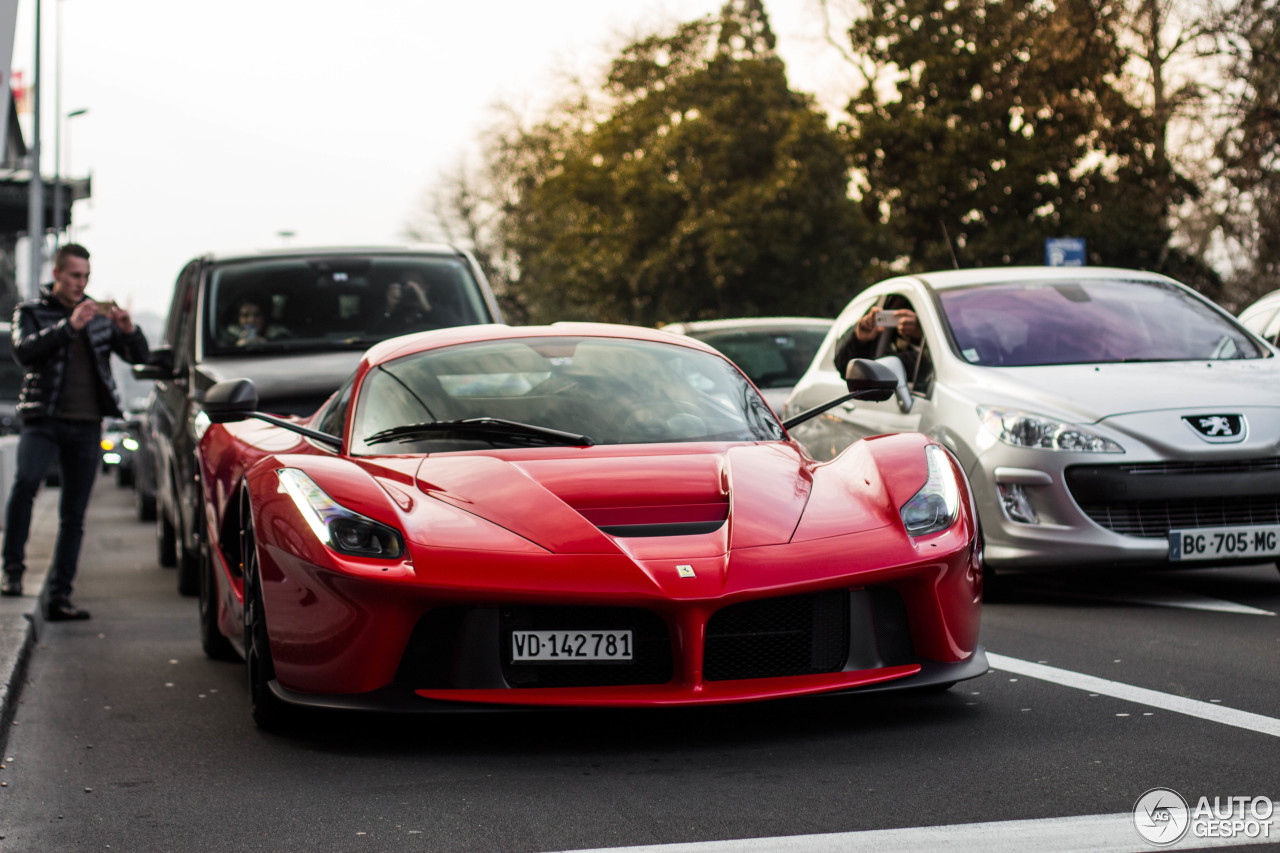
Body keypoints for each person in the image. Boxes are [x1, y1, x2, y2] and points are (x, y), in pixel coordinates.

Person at [0, 244, 150, 620]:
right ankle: (12, 572)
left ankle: (60, 596)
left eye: (85, 277)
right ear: (56, 274)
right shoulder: (32, 312)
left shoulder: (98, 318)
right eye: (73, 276)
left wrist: (129, 331)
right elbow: (24, 352)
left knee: (75, 515)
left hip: (86, 425)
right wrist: (69, 326)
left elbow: (140, 358)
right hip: (43, 419)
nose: (80, 284)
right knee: (25, 486)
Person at [372, 273, 460, 334]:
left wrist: (428, 308)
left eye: (416, 283)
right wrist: (388, 308)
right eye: (405, 284)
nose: (410, 288)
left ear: (426, 288)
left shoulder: (441, 312)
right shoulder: (390, 313)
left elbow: (458, 331)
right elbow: (371, 333)